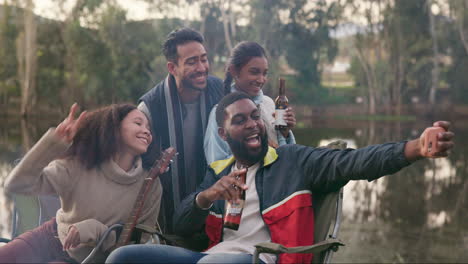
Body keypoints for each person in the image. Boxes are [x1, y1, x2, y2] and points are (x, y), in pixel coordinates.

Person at [106, 92, 454, 264]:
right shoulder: (219, 172)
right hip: (213, 255)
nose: (253, 124)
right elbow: (181, 224)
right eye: (240, 121)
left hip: (261, 257)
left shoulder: (292, 160)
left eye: (255, 116)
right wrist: (208, 195)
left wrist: (414, 148)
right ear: (224, 135)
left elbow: (355, 162)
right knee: (122, 259)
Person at [1, 103, 162, 263]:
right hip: (51, 236)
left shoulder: (151, 185)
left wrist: (96, 230)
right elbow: (16, 184)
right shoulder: (83, 161)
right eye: (138, 123)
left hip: (88, 259)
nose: (146, 131)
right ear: (115, 127)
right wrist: (54, 143)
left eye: (149, 128)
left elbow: (137, 242)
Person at [138, 27, 223, 233]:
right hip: (166, 217)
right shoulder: (150, 107)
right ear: (172, 67)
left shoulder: (219, 91)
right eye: (192, 62)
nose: (202, 67)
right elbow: (131, 162)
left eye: (204, 59)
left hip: (215, 210)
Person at [204, 41, 296, 164]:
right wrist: (264, 152)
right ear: (234, 71)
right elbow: (217, 165)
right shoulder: (220, 113)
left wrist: (284, 134)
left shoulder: (269, 104)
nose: (261, 79)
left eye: (264, 73)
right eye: (254, 72)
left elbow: (286, 157)